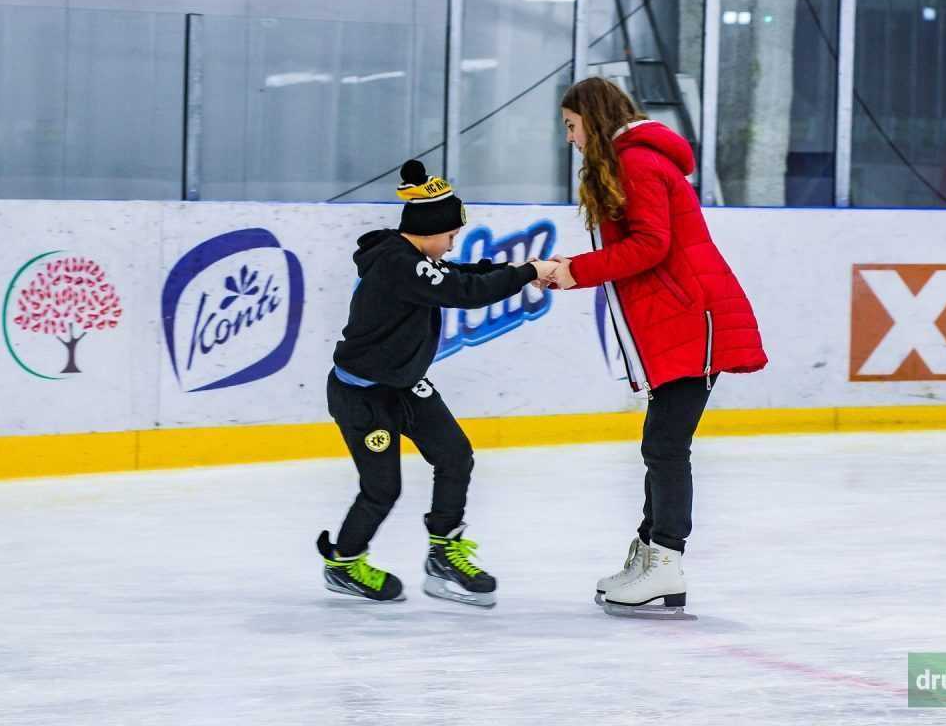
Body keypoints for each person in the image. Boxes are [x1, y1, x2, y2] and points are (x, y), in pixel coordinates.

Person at [548, 77, 768, 617]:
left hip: (694, 317)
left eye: (573, 127)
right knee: (661, 443)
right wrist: (571, 271)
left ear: (593, 119)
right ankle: (649, 554)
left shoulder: (639, 164)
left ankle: (666, 562)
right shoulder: (630, 162)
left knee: (666, 446)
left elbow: (651, 245)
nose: (571, 140)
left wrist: (575, 272)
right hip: (681, 317)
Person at [318, 159, 557, 606]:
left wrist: (525, 268)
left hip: (404, 385)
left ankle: (444, 552)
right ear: (430, 230)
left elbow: (459, 276)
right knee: (382, 489)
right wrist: (527, 274)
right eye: (450, 237)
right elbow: (463, 293)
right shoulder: (397, 264)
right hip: (361, 396)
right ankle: (344, 563)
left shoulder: (410, 260)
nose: (451, 245)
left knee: (455, 455)